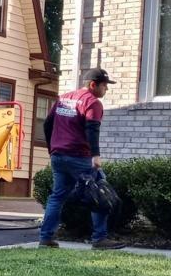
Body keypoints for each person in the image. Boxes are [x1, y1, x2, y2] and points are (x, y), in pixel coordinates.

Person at [39, 68, 126, 250]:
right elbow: (92, 129)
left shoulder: (64, 98)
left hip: (58, 156)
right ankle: (100, 238)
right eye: (104, 86)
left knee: (57, 196)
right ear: (93, 85)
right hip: (79, 157)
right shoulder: (92, 102)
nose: (106, 90)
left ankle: (46, 238)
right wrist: (95, 155)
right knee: (100, 193)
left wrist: (52, 149)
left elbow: (47, 124)